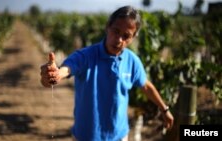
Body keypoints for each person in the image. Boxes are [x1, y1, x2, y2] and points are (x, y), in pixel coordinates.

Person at [40, 5, 174, 141]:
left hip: (119, 135)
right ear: (107, 27)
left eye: (126, 36)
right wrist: (55, 75)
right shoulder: (86, 56)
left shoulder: (132, 61)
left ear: (133, 38)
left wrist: (164, 109)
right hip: (86, 136)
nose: (119, 39)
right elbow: (67, 69)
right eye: (116, 31)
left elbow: (146, 86)